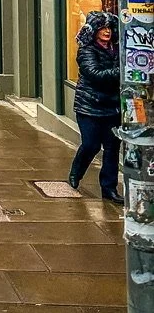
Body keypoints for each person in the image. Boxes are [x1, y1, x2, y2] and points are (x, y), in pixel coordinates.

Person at [68, 11, 122, 204]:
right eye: (102, 28)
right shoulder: (86, 50)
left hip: (113, 106)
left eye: (109, 28)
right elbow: (95, 74)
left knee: (112, 148)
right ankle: (76, 172)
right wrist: (122, 71)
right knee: (91, 144)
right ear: (95, 31)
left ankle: (109, 188)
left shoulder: (117, 48)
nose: (107, 32)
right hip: (89, 106)